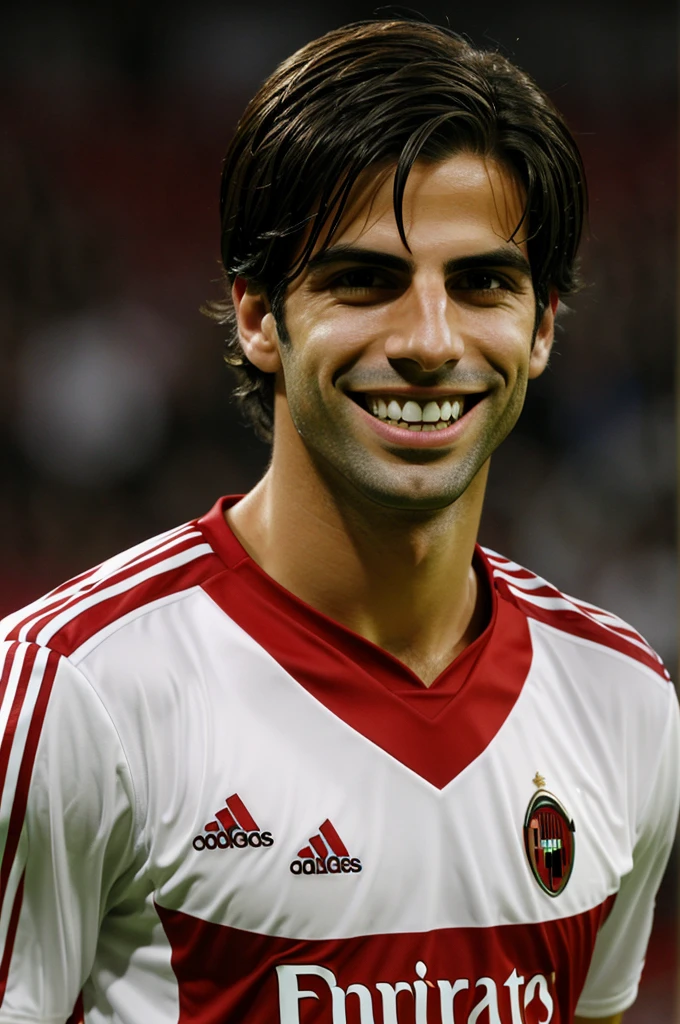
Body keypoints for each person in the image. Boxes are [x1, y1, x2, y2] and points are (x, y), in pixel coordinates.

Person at [0, 19, 677, 1024]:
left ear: (540, 329)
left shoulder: (621, 697)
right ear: (258, 318)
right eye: (363, 280)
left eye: (482, 283)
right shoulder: (72, 690)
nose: (429, 340)